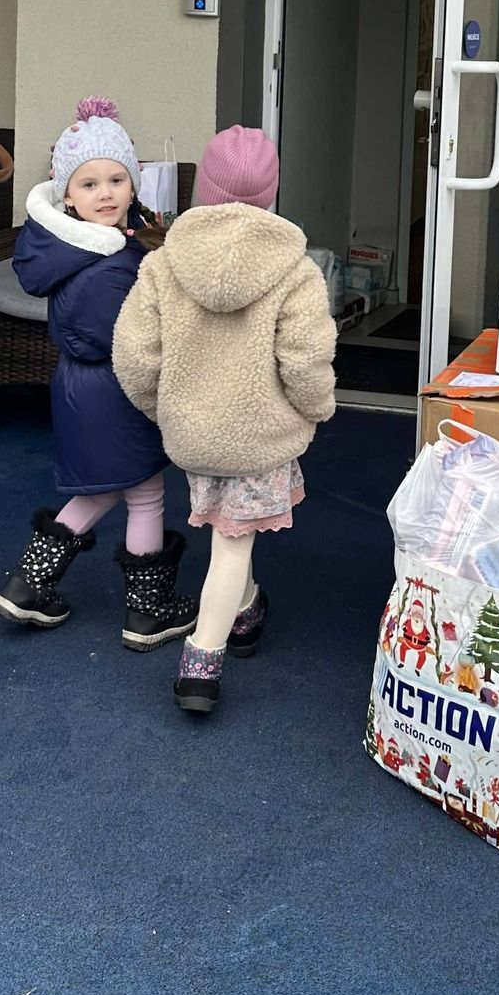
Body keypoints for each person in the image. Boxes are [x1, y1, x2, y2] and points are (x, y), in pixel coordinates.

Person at [113, 125, 336, 715]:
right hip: (260, 436)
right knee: (232, 544)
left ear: (204, 189)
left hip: (194, 431)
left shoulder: (163, 264)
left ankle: (247, 610)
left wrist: (165, 410)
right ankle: (201, 665)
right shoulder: (295, 271)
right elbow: (306, 360)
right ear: (271, 193)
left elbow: (134, 356)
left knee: (232, 526)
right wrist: (316, 408)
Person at [0, 97, 196, 650]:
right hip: (115, 388)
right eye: (89, 184)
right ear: (67, 195)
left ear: (133, 185)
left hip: (81, 388)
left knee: (102, 491)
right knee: (144, 492)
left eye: (116, 180)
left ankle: (28, 585)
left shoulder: (71, 249)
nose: (105, 193)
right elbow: (125, 339)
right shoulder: (107, 264)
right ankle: (148, 612)